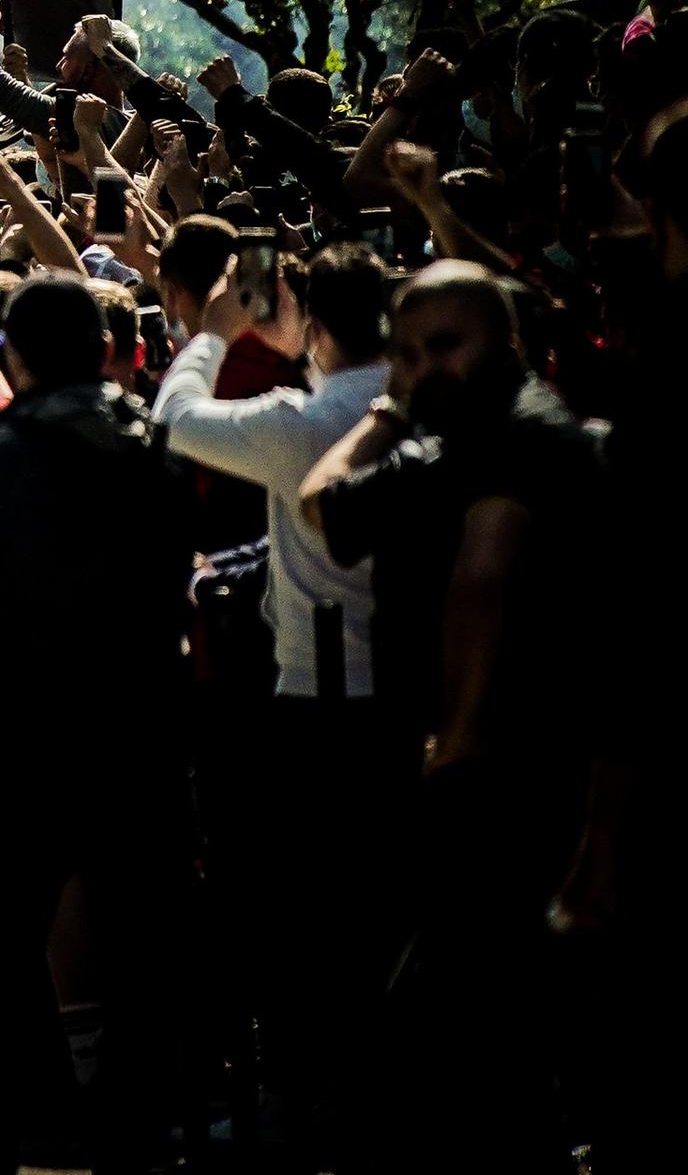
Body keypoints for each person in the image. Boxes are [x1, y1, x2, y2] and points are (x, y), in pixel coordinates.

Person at [299, 261, 611, 1171]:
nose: (427, 368)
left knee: (463, 1022)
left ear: (503, 342)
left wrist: (462, 734)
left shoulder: (520, 437)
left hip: (517, 770)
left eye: (447, 346)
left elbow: (484, 579)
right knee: (484, 1036)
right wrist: (397, 404)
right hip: (492, 767)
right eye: (406, 352)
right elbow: (327, 505)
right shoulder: (455, 440)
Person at [0, 245, 196, 1175]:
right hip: (141, 724)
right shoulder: (159, 446)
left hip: (30, 727)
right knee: (140, 940)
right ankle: (136, 1135)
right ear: (107, 347)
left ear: (20, 350)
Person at [150, 237, 395, 1167]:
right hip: (423, 694)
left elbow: (175, 417)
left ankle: (308, 1103)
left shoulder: (302, 418)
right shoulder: (423, 407)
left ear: (314, 322)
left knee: (308, 923)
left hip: (319, 699)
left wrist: (215, 329)